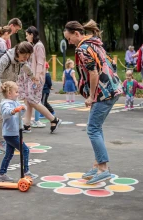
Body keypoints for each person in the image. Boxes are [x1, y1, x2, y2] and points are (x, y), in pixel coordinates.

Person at [64, 19, 123, 184]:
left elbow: (94, 73)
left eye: (69, 38)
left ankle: (103, 168)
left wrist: (91, 96)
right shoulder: (94, 43)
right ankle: (98, 164)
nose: (69, 42)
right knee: (96, 128)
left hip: (104, 93)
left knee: (92, 129)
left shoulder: (83, 48)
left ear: (77, 34)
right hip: (113, 88)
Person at [0, 41, 34, 152]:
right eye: (24, 56)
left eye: (27, 57)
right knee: (3, 115)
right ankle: (1, 142)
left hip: (11, 88)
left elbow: (25, 66)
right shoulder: (5, 59)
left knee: (16, 113)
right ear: (18, 52)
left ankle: (14, 140)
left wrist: (32, 76)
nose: (25, 59)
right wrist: (3, 88)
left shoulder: (21, 60)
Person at [19, 26, 62, 133]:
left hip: (36, 77)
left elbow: (40, 62)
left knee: (33, 101)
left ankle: (54, 119)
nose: (26, 37)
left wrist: (37, 76)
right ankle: (26, 124)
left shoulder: (39, 46)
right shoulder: (32, 46)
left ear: (32, 35)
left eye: (27, 35)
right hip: (30, 77)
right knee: (29, 100)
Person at [0, 81, 38, 182]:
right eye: (16, 92)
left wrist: (22, 108)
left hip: (13, 133)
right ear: (9, 93)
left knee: (9, 154)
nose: (18, 94)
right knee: (25, 150)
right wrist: (13, 111)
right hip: (10, 134)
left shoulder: (15, 102)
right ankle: (26, 171)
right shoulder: (5, 103)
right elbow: (5, 113)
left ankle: (1, 174)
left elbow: (21, 112)